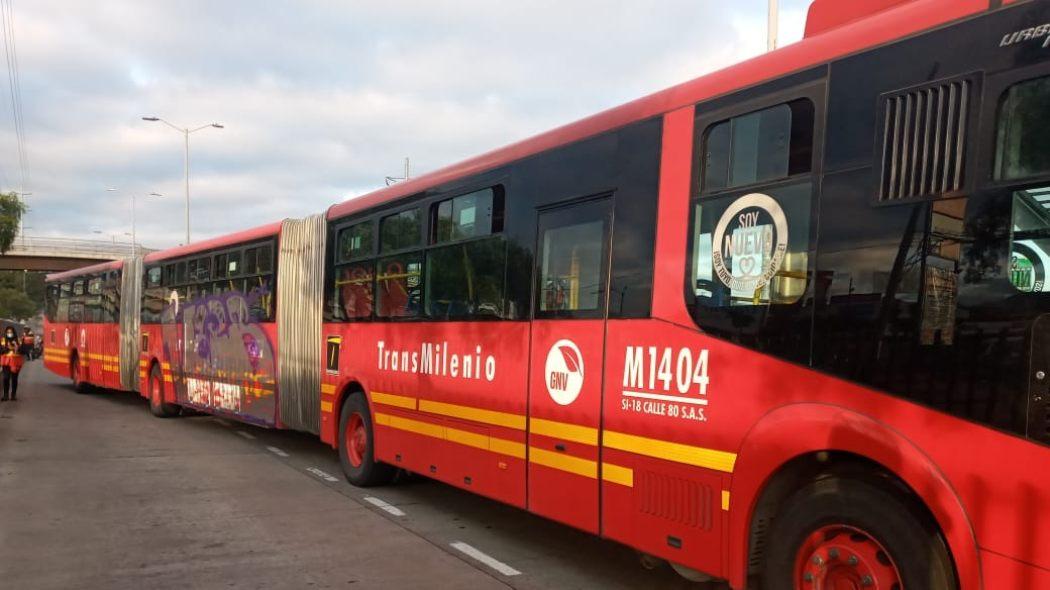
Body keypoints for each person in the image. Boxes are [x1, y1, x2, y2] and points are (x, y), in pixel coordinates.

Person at [1, 326, 25, 401]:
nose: (9, 334)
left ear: (14, 333)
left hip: (15, 362)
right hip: (6, 362)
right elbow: (0, 350)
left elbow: (23, 351)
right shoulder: (3, 340)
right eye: (8, 332)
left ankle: (13, 395)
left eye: (10, 332)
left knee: (14, 378)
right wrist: (6, 348)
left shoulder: (19, 340)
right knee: (6, 378)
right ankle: (5, 395)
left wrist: (16, 346)